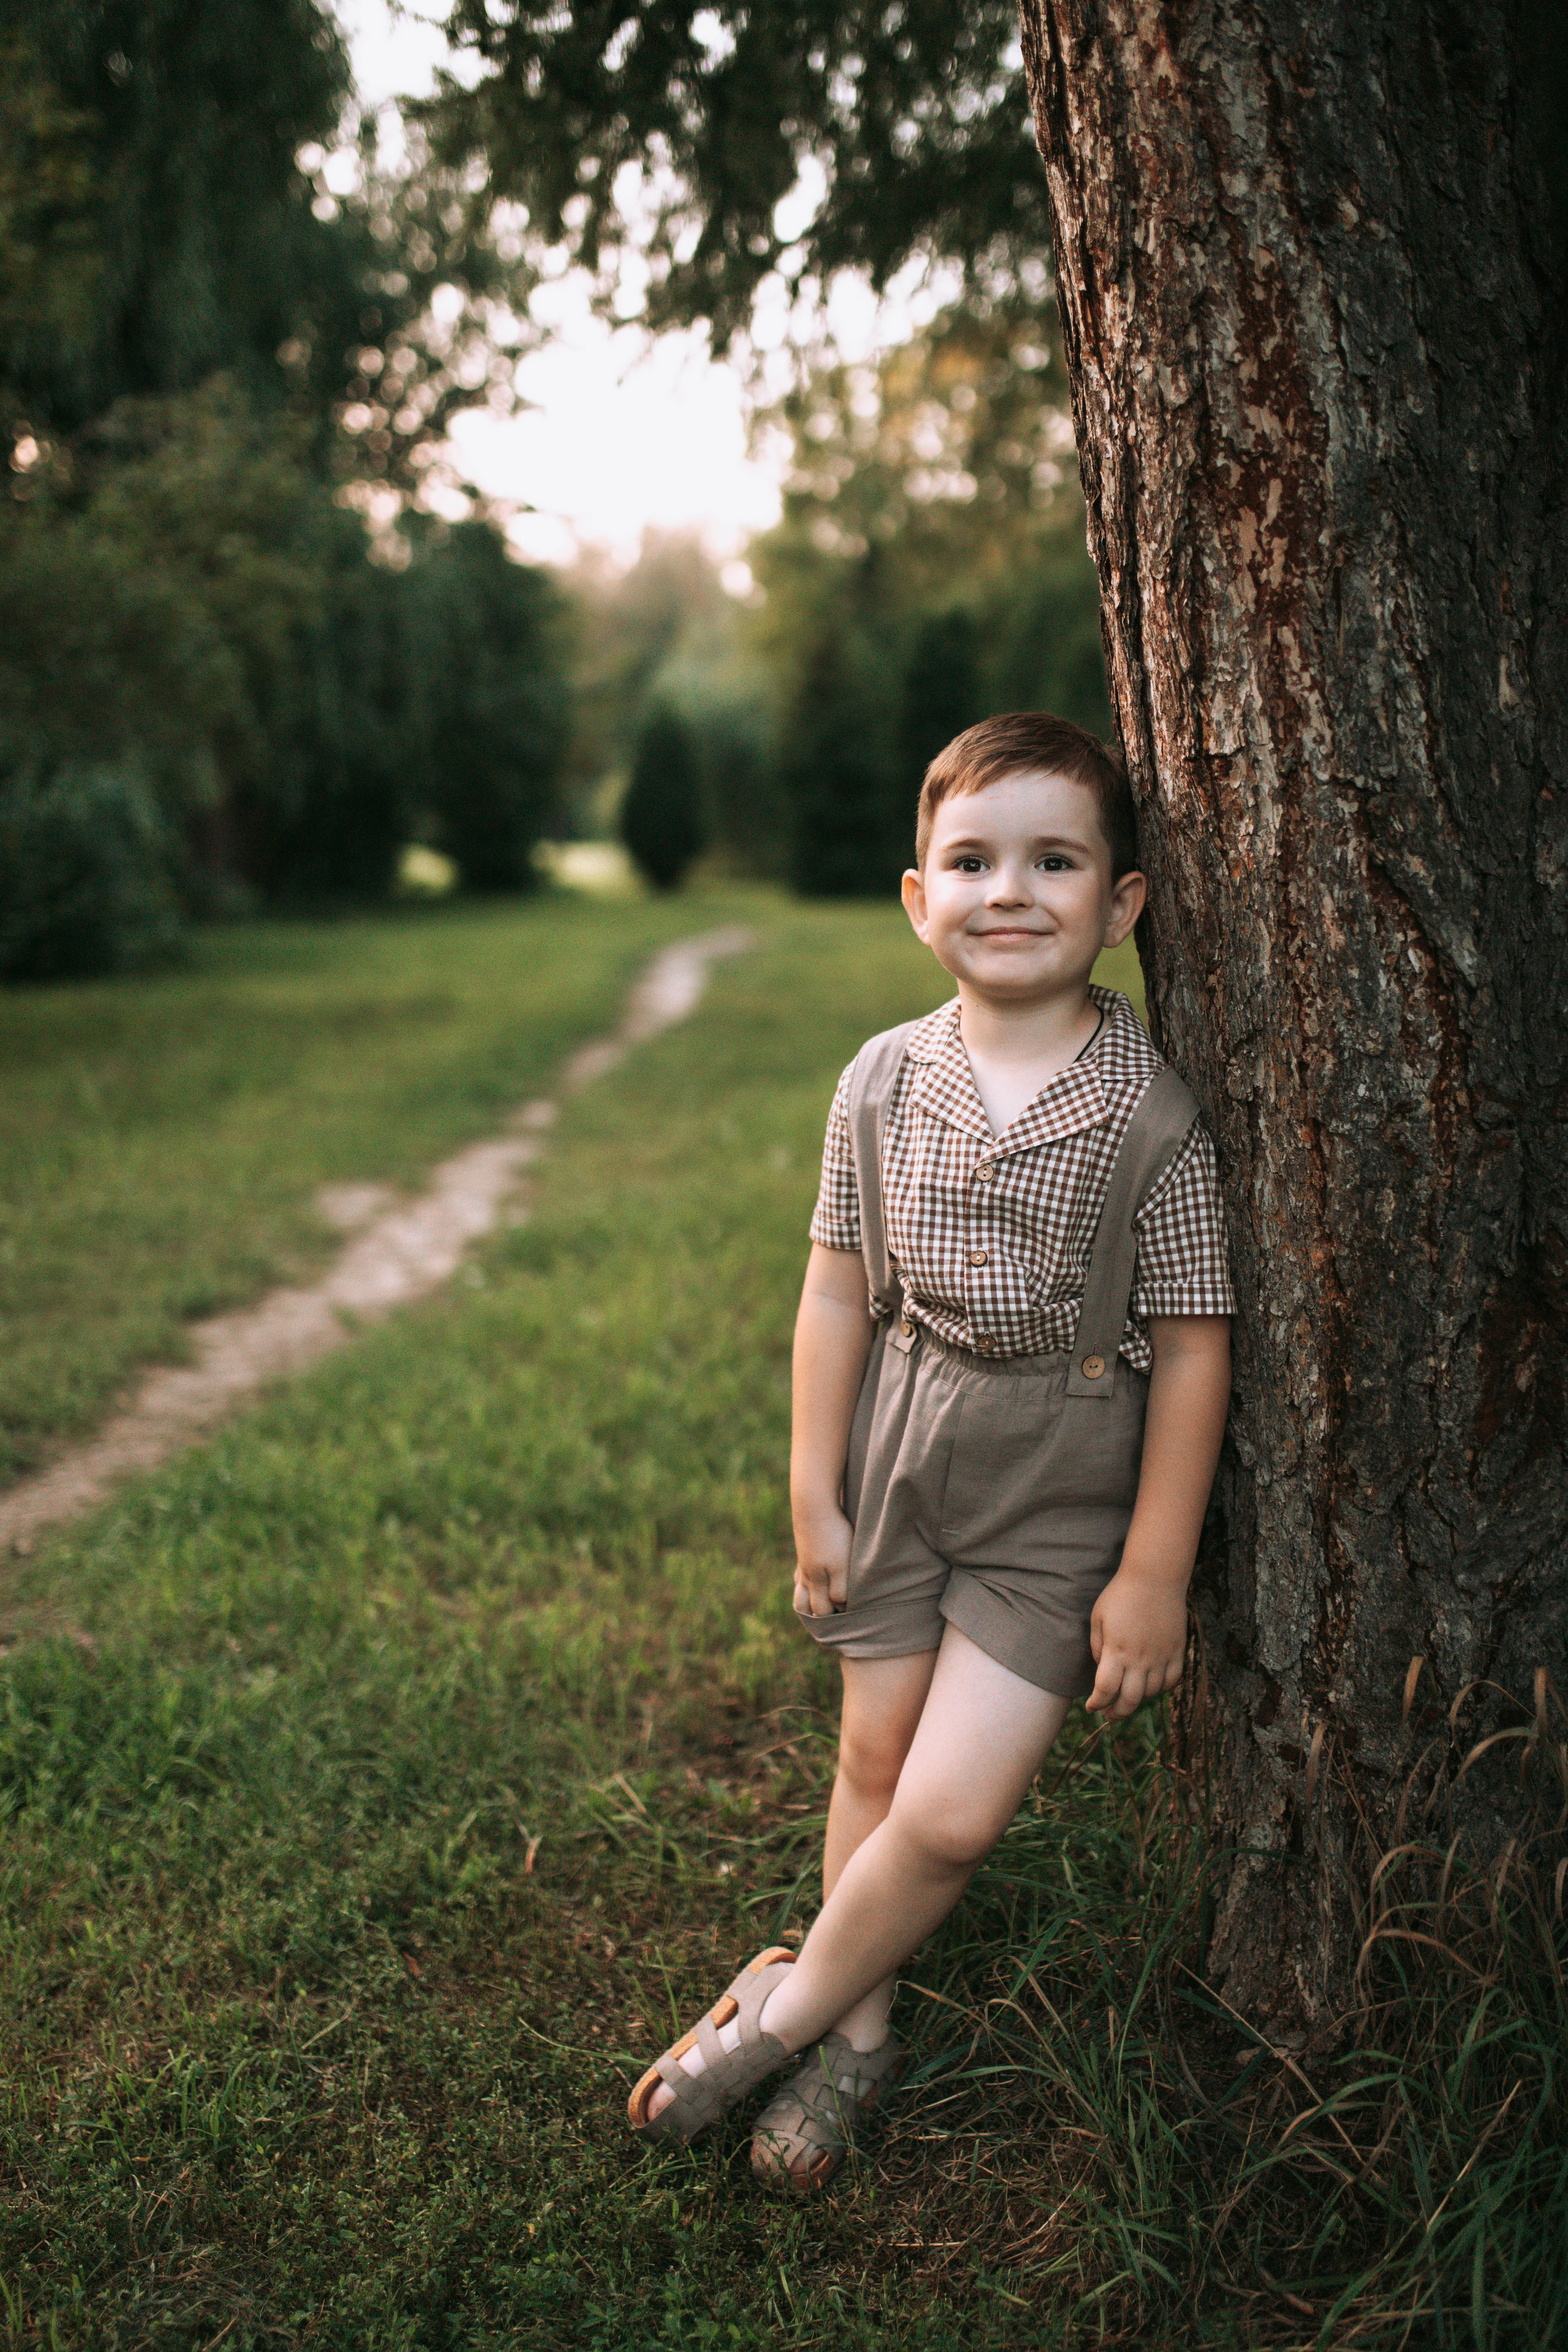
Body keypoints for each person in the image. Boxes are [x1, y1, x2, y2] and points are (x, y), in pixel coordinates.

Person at [627, 710, 1234, 2187]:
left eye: (1053, 862)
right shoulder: (881, 1081)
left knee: (950, 1816)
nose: (1007, 891)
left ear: (1121, 905)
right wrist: (811, 1492)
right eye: (970, 862)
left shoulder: (1151, 1117)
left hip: (1058, 1487)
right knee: (874, 1754)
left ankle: (774, 2017)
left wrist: (1152, 1573)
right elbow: (835, 1291)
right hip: (897, 1446)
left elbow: (1194, 1348)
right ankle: (856, 2040)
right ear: (917, 900)